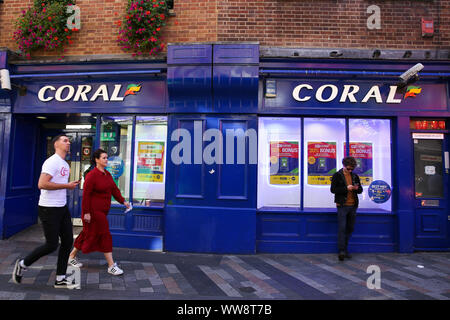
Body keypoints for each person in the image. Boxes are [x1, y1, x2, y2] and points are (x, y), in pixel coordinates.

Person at [12, 134, 80, 289]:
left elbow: (58, 183)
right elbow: (42, 184)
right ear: (56, 144)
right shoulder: (51, 162)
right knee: (51, 244)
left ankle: (61, 278)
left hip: (61, 207)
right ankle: (23, 264)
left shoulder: (64, 164)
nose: (68, 142)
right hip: (48, 208)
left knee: (68, 241)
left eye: (69, 140)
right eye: (65, 140)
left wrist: (68, 185)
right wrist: (66, 186)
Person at [68, 148, 130, 275]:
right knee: (105, 235)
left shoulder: (107, 175)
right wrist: (86, 213)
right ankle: (111, 265)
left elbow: (115, 190)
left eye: (107, 157)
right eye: (104, 158)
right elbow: (86, 196)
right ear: (97, 160)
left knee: (87, 233)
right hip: (93, 212)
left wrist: (123, 201)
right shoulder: (91, 175)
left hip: (103, 211)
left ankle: (71, 256)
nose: (107, 160)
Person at [330, 156, 363, 261]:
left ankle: (345, 249)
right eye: (348, 168)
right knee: (342, 228)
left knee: (350, 228)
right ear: (344, 165)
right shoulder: (337, 175)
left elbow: (360, 190)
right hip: (342, 206)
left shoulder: (355, 176)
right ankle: (342, 251)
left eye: (352, 169)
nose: (350, 170)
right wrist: (346, 188)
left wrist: (356, 189)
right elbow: (333, 190)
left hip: (353, 206)